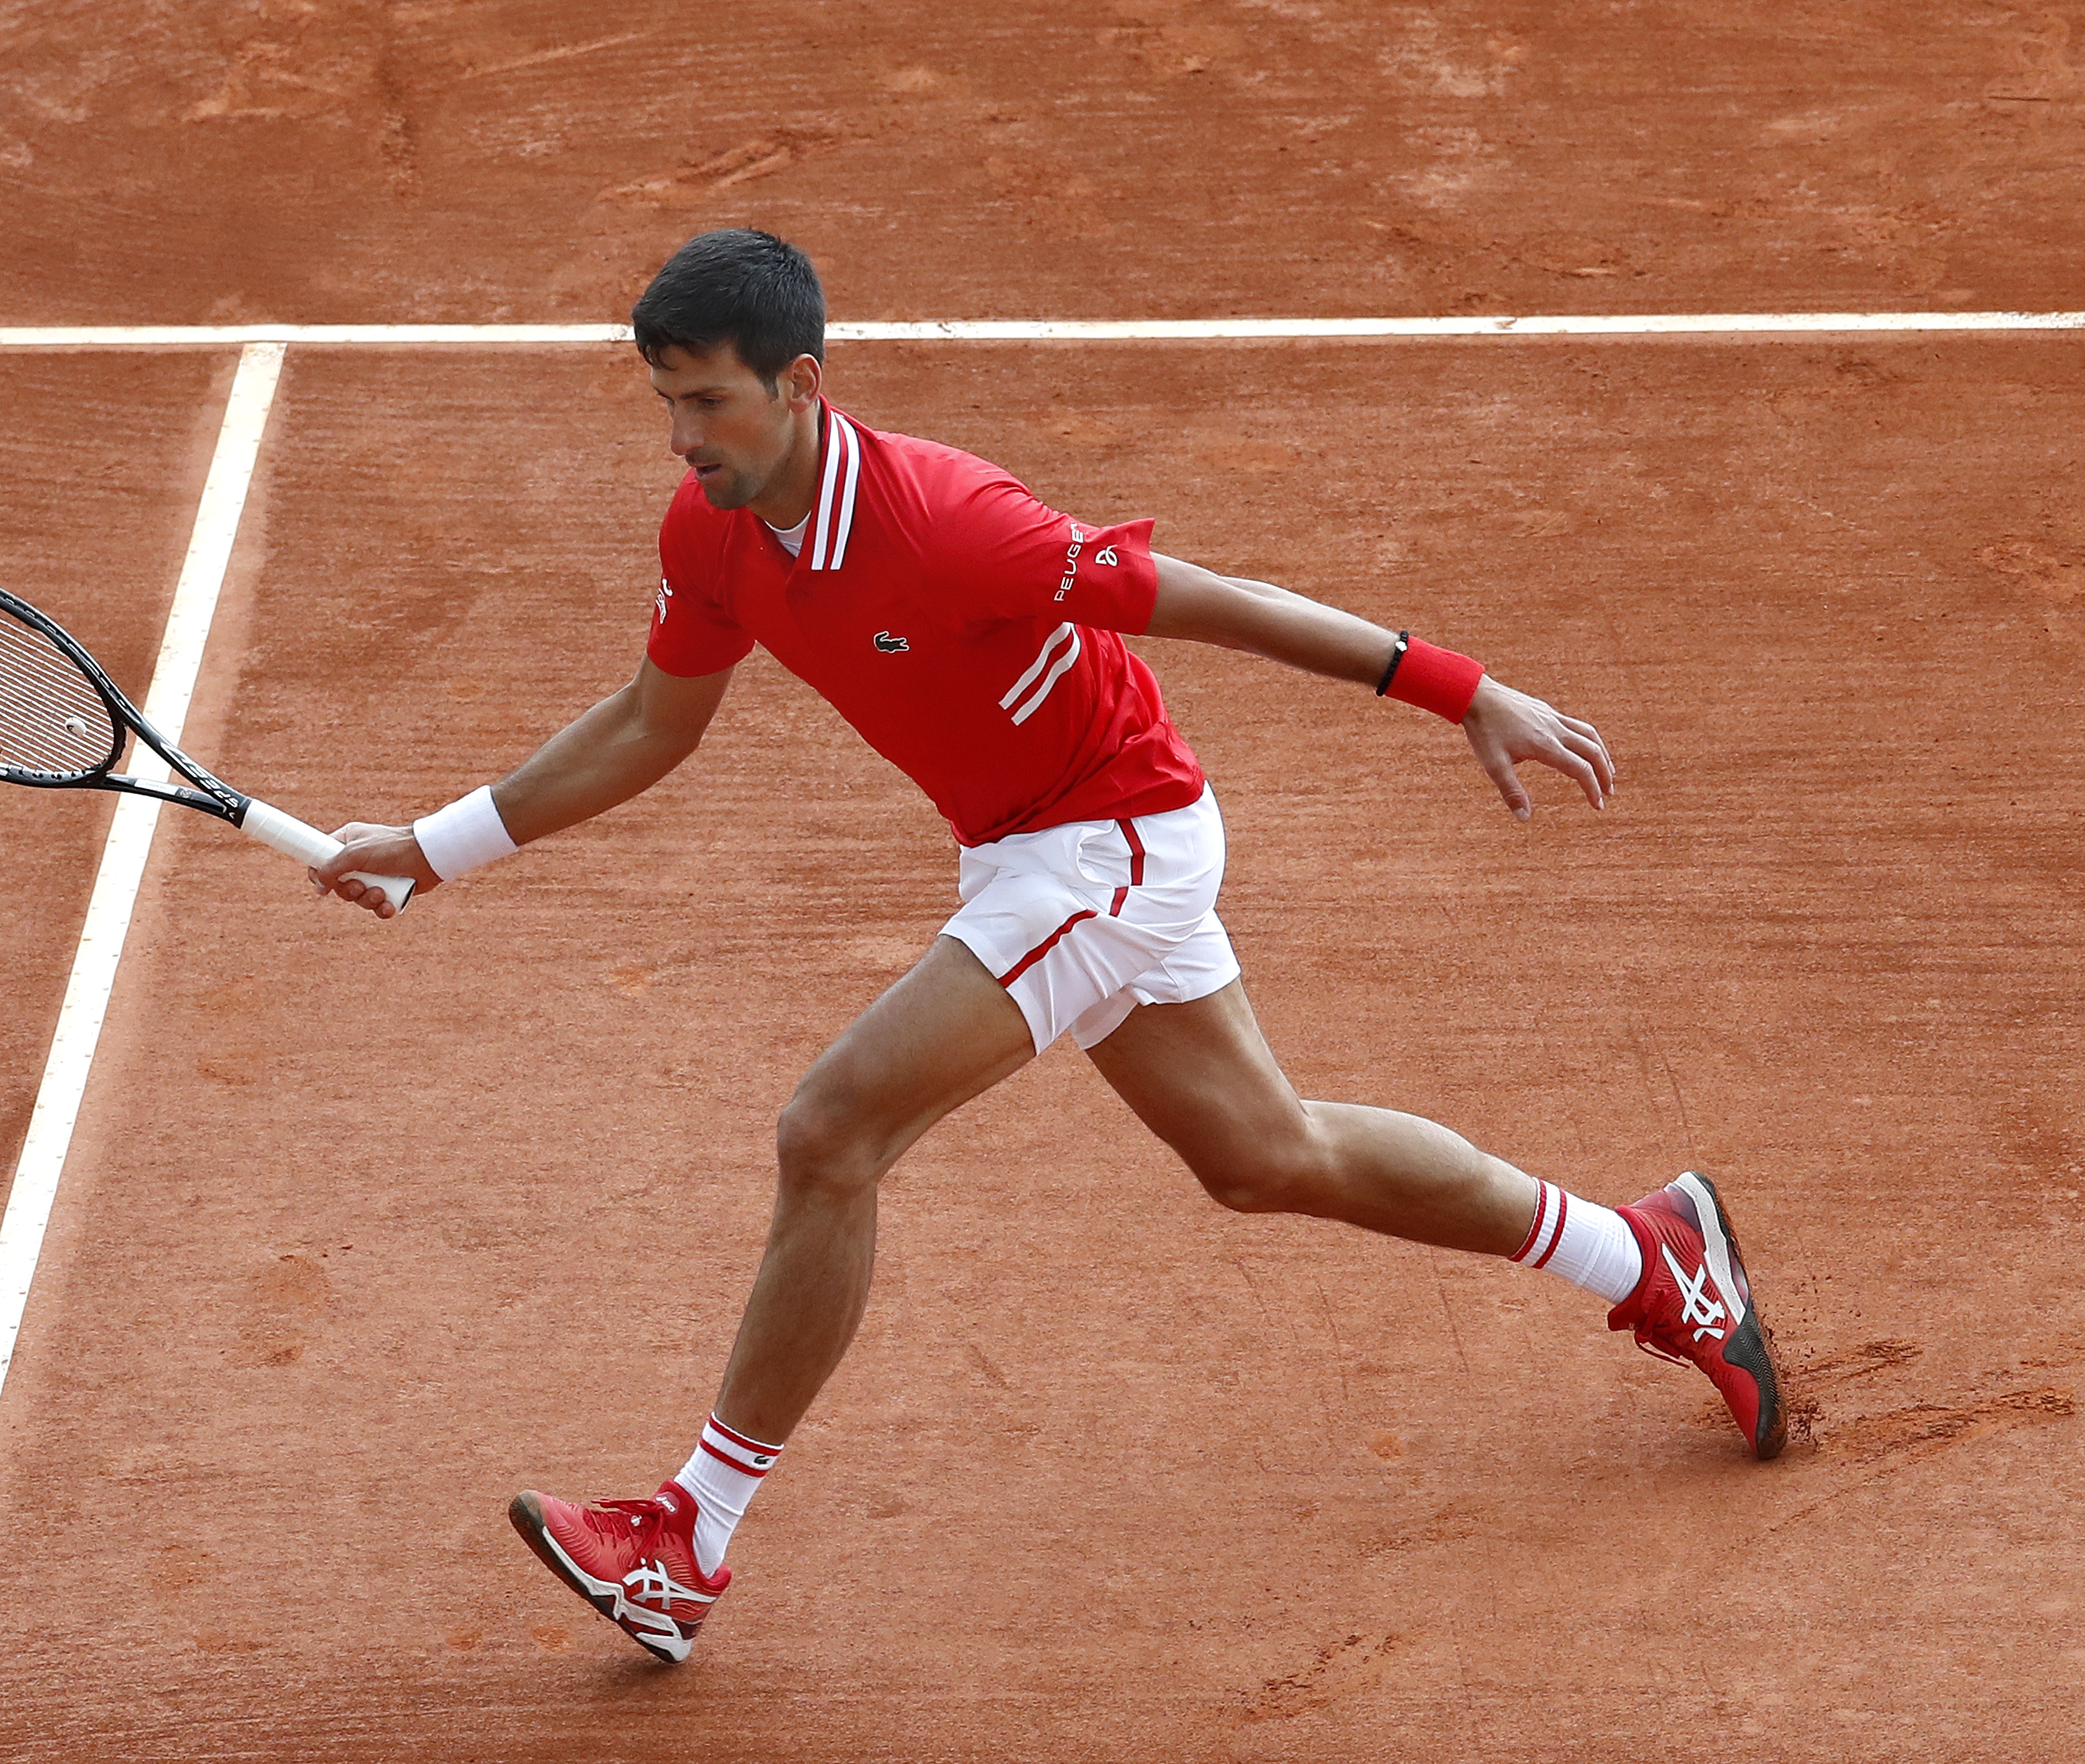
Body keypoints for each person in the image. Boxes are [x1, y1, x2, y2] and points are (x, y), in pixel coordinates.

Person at [314, 229, 1783, 1666]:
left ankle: (687, 1542)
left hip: (1111, 836)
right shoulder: (710, 533)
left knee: (831, 1128)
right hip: (1032, 844)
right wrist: (439, 847)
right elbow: (652, 723)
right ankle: (1649, 1253)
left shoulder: (953, 524)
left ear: (802, 385)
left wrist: (1458, 685)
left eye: (707, 402)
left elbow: (1213, 601)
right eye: (666, 404)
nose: (682, 438)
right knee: (1267, 1155)